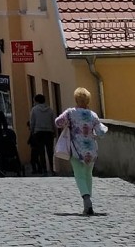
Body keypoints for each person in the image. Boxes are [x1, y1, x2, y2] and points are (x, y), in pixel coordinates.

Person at [55, 87, 108, 215]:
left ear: (76, 99)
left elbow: (58, 122)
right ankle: (88, 199)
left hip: (76, 149)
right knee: (88, 174)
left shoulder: (71, 112)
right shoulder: (93, 115)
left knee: (79, 174)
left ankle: (86, 199)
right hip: (91, 149)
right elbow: (101, 131)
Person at [28, 93, 57, 175]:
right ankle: (52, 169)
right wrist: (55, 132)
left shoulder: (34, 109)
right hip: (49, 132)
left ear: (36, 101)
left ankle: (44, 169)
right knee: (50, 152)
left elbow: (32, 122)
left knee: (41, 152)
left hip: (38, 132)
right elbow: (53, 121)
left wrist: (32, 131)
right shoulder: (50, 110)